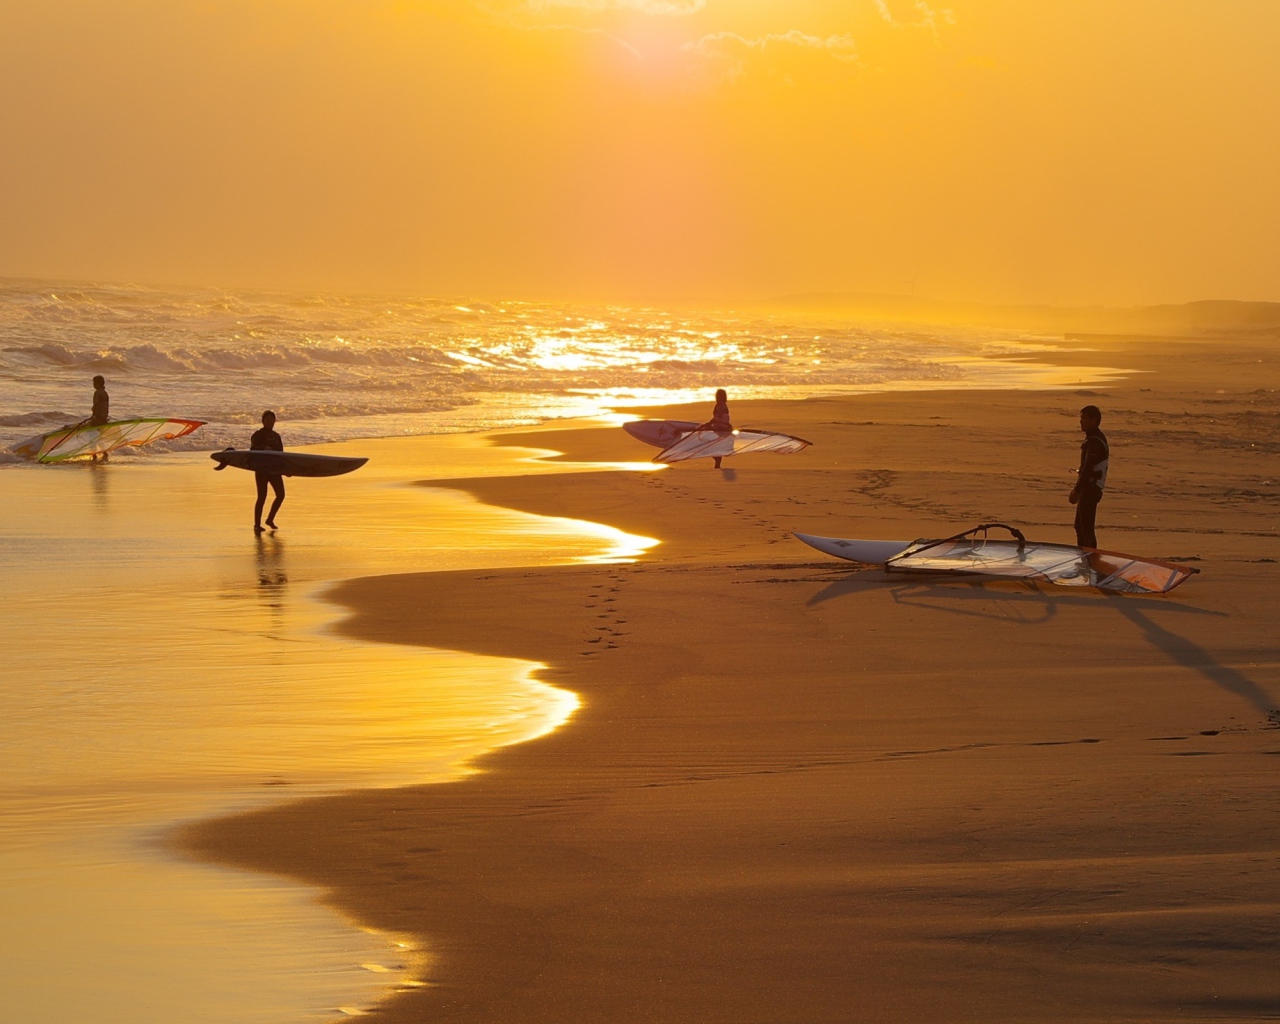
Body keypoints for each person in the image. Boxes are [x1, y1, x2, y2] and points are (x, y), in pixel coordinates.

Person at [1068, 404, 1109, 549]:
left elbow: (1088, 467)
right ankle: (1085, 556)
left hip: (1090, 489)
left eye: (1084, 418)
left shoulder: (1094, 442)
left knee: (1085, 529)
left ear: (1094, 420)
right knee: (1080, 527)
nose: (1081, 421)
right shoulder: (1094, 438)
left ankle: (1089, 557)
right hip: (1090, 488)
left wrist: (1077, 490)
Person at [250, 410, 286, 533]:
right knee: (262, 497)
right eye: (267, 419)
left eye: (272, 419)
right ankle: (257, 524)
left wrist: (286, 469)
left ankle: (270, 519)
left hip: (274, 470)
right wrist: (263, 448)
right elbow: (252, 449)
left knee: (281, 495)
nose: (270, 421)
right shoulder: (258, 435)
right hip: (262, 469)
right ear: (263, 421)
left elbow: (281, 455)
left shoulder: (276, 437)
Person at [696, 388, 733, 469]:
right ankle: (717, 463)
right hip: (724, 426)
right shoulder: (724, 404)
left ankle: (717, 462)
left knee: (712, 444)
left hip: (720, 427)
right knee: (717, 444)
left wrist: (710, 424)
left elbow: (717, 417)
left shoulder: (720, 404)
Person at [88, 375, 111, 461]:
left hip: (97, 418)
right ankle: (104, 453)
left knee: (91, 436)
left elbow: (96, 405)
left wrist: (94, 416)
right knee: (99, 437)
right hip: (103, 418)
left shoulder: (97, 393)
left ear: (97, 384)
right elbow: (105, 406)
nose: (93, 385)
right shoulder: (105, 393)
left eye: (94, 383)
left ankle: (94, 455)